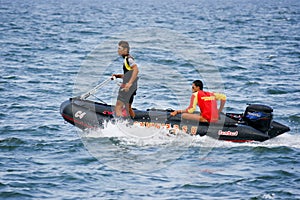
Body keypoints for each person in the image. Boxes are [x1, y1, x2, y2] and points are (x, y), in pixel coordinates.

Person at [112, 41, 139, 118]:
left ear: (125, 50)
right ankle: (132, 123)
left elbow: (136, 70)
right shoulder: (126, 59)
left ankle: (121, 124)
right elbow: (129, 74)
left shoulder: (129, 60)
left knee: (118, 107)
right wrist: (118, 76)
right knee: (128, 107)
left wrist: (129, 83)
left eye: (120, 48)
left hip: (128, 86)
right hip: (133, 86)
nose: (118, 50)